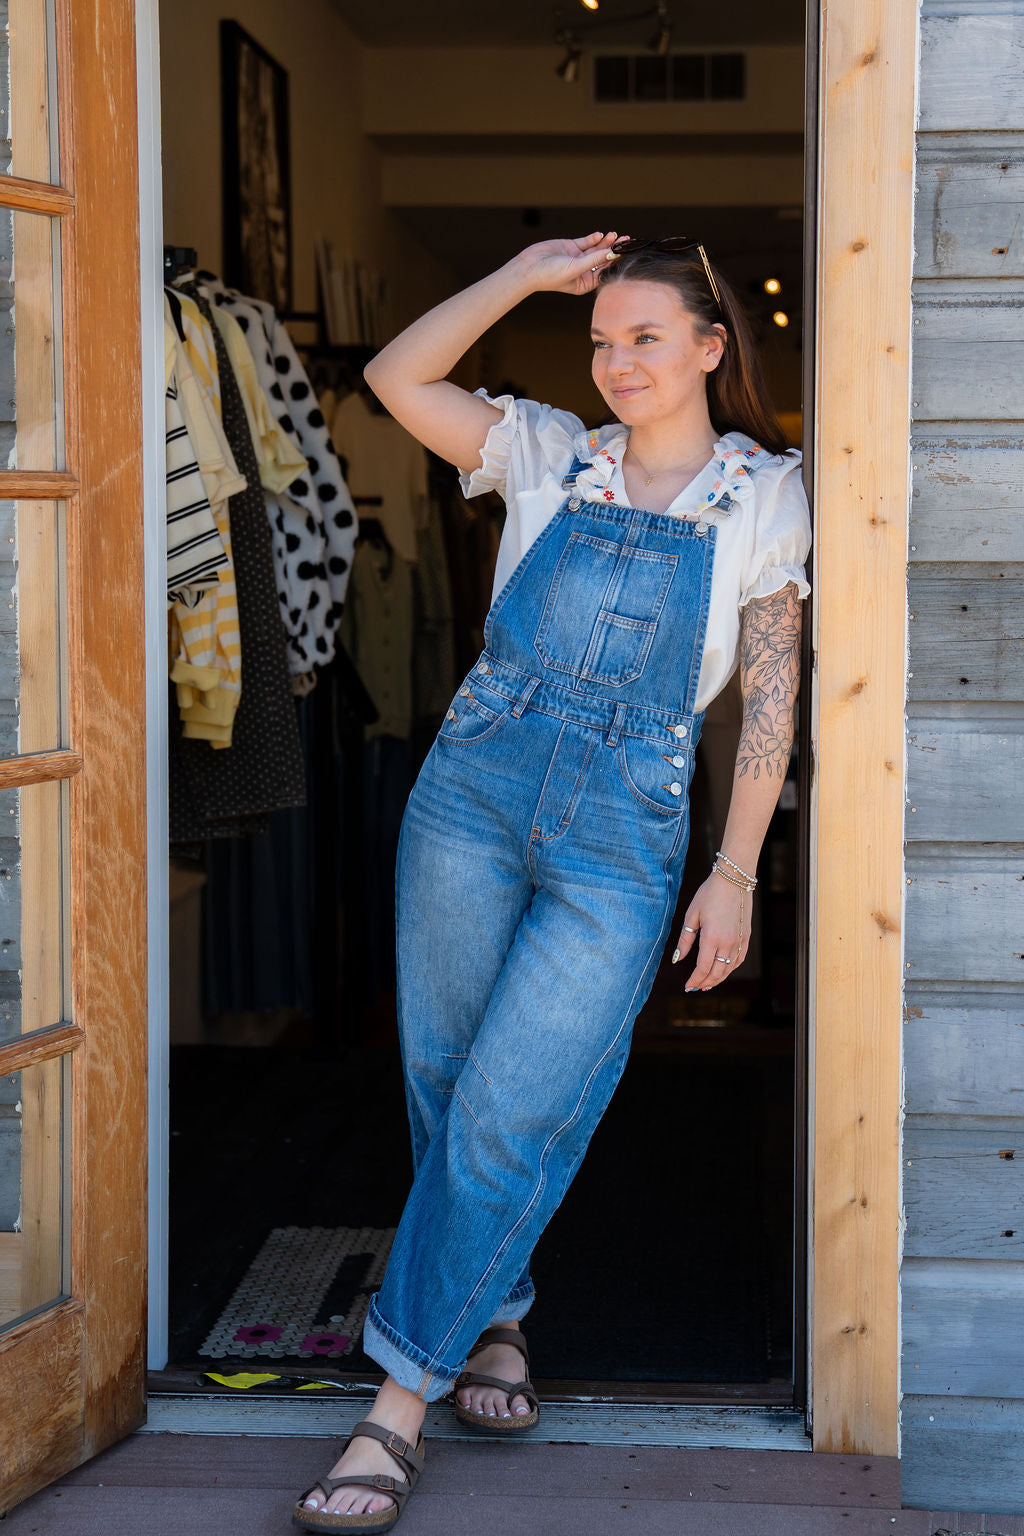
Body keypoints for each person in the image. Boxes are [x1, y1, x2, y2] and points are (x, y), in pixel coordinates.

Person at [293, 231, 811, 1533]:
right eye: (601, 339)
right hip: (472, 795)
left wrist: (736, 869)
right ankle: (496, 1323)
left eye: (647, 337)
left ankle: (392, 1408)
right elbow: (396, 380)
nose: (618, 361)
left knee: (514, 1105)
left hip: (623, 834)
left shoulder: (767, 495)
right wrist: (524, 276)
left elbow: (769, 699)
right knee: (446, 1084)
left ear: (711, 347)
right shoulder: (547, 452)